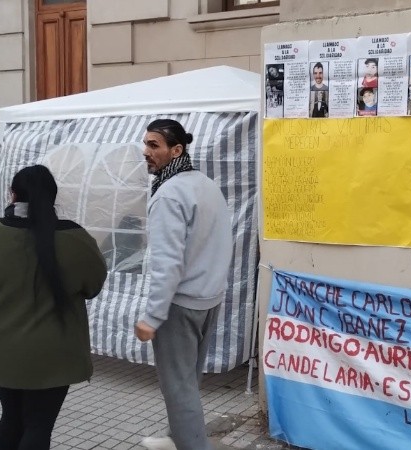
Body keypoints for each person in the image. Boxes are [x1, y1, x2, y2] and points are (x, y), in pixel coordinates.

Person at [0, 164, 107, 450]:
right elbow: (93, 286)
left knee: (11, 418)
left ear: (12, 195)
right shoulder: (76, 238)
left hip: (0, 347)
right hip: (54, 349)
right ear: (52, 197)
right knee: (39, 424)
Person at [136, 119, 233, 450]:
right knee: (188, 381)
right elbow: (220, 243)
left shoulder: (169, 194)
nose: (146, 152)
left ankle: (192, 444)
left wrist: (152, 316)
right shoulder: (205, 184)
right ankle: (179, 437)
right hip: (209, 298)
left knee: (179, 388)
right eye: (146, 144)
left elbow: (167, 264)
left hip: (181, 304)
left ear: (176, 150)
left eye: (154, 146)